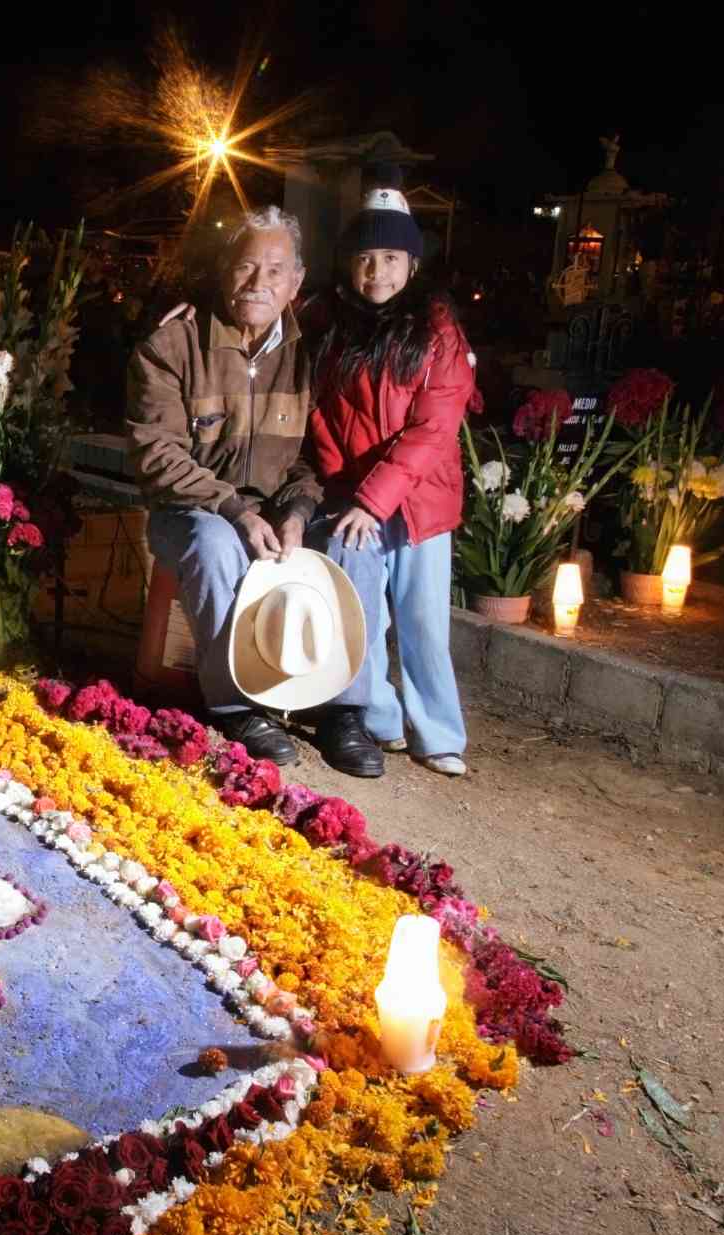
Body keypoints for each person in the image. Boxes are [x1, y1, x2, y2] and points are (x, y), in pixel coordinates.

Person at [125, 207, 321, 765]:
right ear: (224, 270)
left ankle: (325, 702)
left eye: (276, 270)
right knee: (215, 543)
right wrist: (234, 509)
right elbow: (156, 453)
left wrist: (299, 511)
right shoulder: (172, 346)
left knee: (344, 542)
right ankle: (237, 708)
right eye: (246, 266)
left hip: (274, 511)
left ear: (296, 282)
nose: (259, 282)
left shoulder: (309, 355)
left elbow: (312, 458)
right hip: (188, 511)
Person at [304, 169, 475, 778]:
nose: (377, 272)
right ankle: (377, 717)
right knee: (363, 610)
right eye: (365, 257)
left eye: (391, 258)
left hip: (419, 499)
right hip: (353, 497)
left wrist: (375, 498)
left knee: (424, 618)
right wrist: (342, 488)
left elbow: (433, 428)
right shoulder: (327, 322)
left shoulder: (437, 330)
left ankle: (438, 731)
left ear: (412, 262)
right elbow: (319, 413)